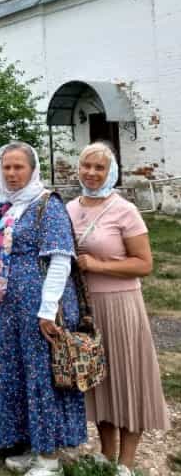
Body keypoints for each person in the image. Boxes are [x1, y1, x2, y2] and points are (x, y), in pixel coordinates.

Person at [0, 142, 85, 476]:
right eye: (5, 168)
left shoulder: (46, 204)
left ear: (32, 169)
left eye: (18, 167)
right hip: (10, 309)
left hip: (39, 307)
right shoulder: (7, 206)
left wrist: (48, 309)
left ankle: (50, 458)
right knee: (16, 375)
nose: (11, 174)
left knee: (42, 377)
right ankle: (31, 446)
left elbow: (59, 259)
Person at [68, 142, 169, 476]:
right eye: (87, 166)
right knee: (100, 382)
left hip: (120, 304)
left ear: (111, 172)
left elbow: (144, 264)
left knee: (129, 379)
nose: (92, 173)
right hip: (85, 308)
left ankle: (126, 463)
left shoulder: (124, 209)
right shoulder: (70, 207)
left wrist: (98, 265)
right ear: (78, 168)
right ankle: (105, 454)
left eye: (99, 168)